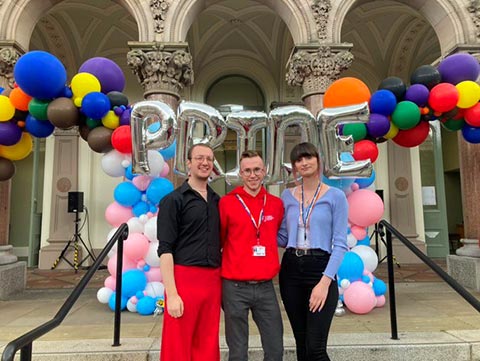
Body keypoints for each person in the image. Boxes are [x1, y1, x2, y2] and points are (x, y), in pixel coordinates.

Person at [278, 142, 349, 361]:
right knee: (301, 345)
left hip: (320, 268)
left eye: (308, 157)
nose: (304, 162)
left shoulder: (335, 196)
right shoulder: (287, 196)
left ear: (318, 161)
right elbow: (282, 236)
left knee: (315, 348)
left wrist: (324, 282)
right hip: (291, 269)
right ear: (294, 166)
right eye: (299, 160)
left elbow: (340, 243)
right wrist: (252, 234)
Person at [157, 143, 221, 361]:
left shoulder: (217, 201)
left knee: (208, 343)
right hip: (184, 279)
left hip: (212, 280)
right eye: (200, 158)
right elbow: (165, 250)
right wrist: (172, 294)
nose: (205, 163)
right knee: (178, 344)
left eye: (210, 159)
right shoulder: (173, 200)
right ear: (189, 163)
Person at [219, 150, 284, 361]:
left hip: (266, 287)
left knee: (275, 349)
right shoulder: (227, 203)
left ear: (264, 171)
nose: (252, 175)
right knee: (238, 352)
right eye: (247, 170)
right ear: (241, 174)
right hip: (234, 287)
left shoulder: (276, 204)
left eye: (257, 169)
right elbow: (219, 241)